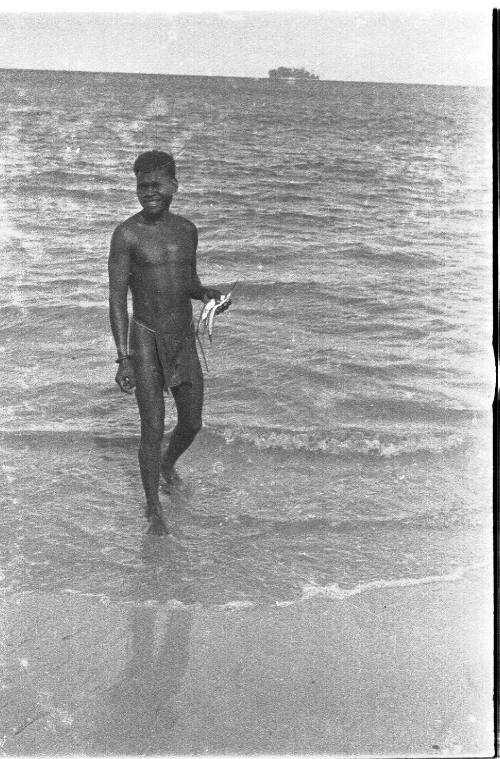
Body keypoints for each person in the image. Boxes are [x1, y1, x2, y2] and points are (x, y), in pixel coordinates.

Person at [108, 150, 229, 535]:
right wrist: (122, 357)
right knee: (152, 427)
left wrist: (210, 294)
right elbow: (116, 301)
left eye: (156, 185)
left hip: (182, 338)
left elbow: (188, 282)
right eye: (142, 186)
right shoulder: (126, 234)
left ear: (175, 186)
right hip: (144, 338)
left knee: (192, 422)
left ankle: (167, 464)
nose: (149, 193)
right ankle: (152, 508)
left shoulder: (187, 230)